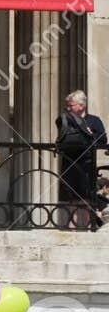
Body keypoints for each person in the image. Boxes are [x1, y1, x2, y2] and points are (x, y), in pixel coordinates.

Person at [54, 90, 105, 231]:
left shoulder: (94, 120)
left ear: (81, 105)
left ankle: (88, 226)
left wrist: (90, 134)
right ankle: (72, 228)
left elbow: (103, 139)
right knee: (71, 197)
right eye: (68, 105)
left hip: (87, 164)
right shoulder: (65, 119)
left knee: (86, 197)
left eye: (72, 105)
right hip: (70, 162)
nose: (69, 108)